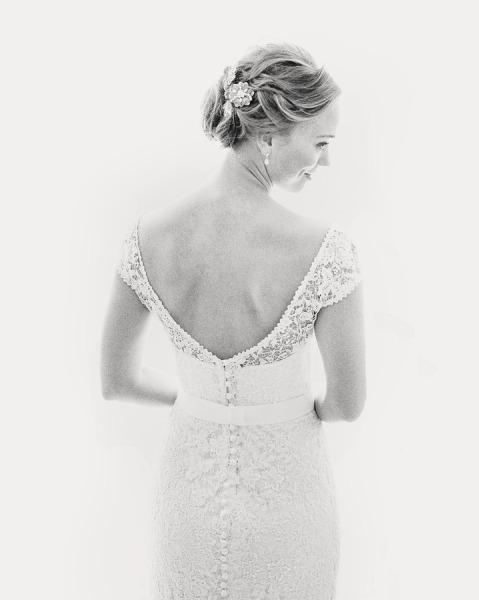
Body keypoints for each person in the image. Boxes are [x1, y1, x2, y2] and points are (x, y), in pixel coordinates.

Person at [100, 41, 366, 600]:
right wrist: (280, 409)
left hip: (186, 505)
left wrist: (200, 403)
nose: (326, 161)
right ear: (270, 134)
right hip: (289, 503)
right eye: (320, 143)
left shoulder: (147, 237)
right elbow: (346, 404)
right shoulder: (325, 251)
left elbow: (116, 382)